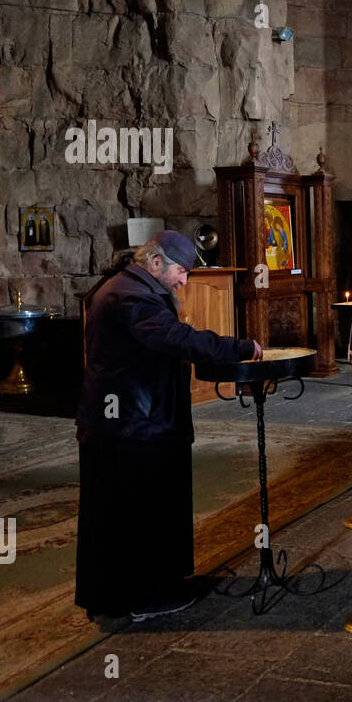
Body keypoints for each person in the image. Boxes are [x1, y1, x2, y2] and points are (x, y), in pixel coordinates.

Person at [75, 230, 262, 622]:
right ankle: (143, 599)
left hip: (127, 423)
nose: (184, 281)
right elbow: (178, 339)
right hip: (132, 427)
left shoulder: (128, 285)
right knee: (137, 516)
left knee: (131, 514)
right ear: (156, 263)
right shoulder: (132, 296)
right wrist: (241, 348)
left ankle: (131, 595)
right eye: (181, 271)